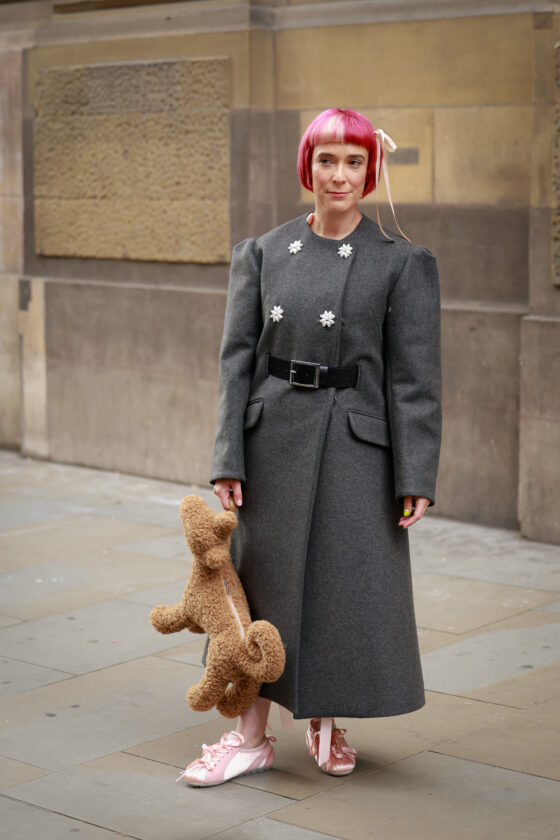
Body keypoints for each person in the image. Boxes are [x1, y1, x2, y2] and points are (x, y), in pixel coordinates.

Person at [177, 107, 442, 787]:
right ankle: (249, 735)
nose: (340, 175)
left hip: (357, 446)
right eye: (327, 159)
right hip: (271, 442)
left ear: (370, 170)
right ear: (308, 166)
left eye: (354, 161)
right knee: (256, 590)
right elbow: (236, 358)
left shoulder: (400, 262)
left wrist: (417, 471)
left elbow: (415, 380)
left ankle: (325, 718)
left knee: (338, 587)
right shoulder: (262, 253)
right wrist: (227, 454)